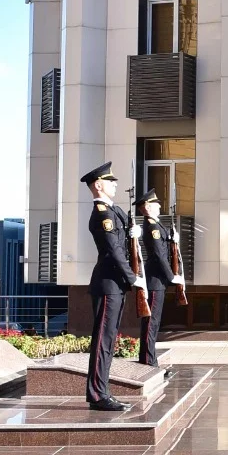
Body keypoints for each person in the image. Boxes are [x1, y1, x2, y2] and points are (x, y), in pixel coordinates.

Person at [81, 162, 143, 411]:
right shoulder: (102, 214)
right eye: (111, 181)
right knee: (103, 341)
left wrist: (134, 232)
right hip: (108, 284)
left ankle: (102, 391)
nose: (116, 184)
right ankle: (97, 395)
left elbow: (125, 238)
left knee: (109, 340)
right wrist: (133, 278)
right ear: (98, 185)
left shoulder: (113, 210)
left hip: (115, 284)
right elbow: (114, 251)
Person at [131, 189, 177, 369]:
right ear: (148, 207)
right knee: (151, 322)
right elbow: (159, 255)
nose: (159, 206)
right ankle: (149, 361)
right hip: (155, 280)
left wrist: (172, 240)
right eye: (156, 204)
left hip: (157, 280)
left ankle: (149, 359)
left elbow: (164, 250)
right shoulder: (152, 227)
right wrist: (172, 277)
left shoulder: (156, 225)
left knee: (153, 322)